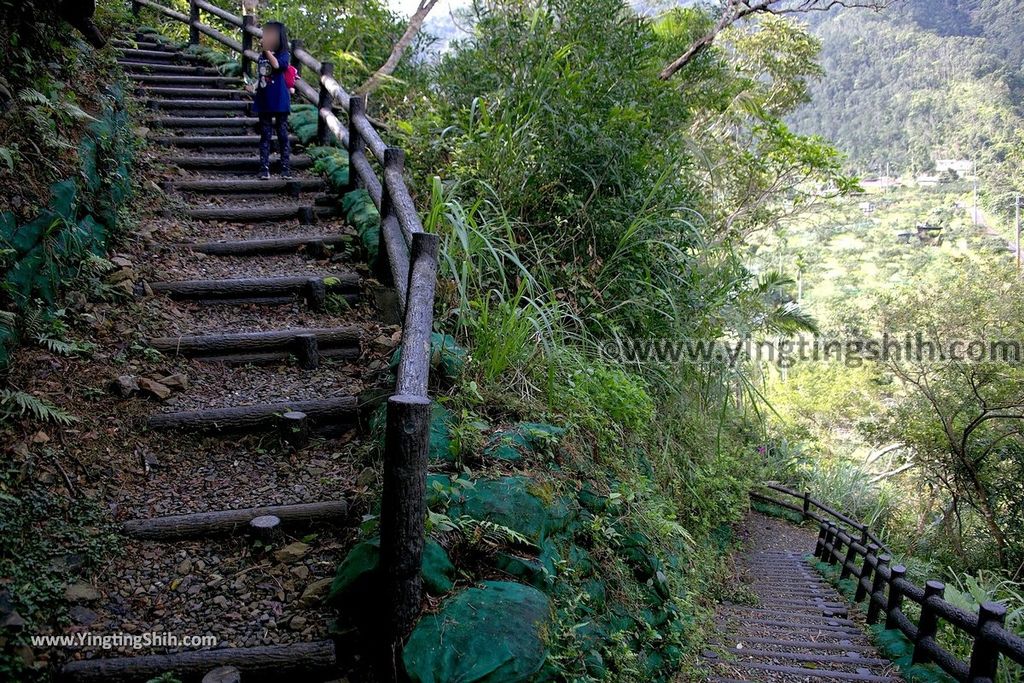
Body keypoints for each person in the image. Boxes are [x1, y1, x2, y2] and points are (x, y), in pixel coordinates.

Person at [252, 21, 291, 180]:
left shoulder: (283, 54)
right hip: (264, 100)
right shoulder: (262, 56)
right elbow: (262, 74)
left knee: (282, 134)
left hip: (280, 100)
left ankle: (285, 167)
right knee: (265, 135)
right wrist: (253, 86)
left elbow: (276, 66)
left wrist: (267, 51)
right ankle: (264, 167)